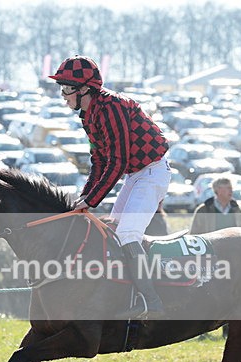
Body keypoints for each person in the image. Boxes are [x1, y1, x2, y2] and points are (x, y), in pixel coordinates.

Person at [50, 55, 171, 319]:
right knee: (114, 232)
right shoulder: (88, 114)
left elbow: (118, 160)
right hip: (135, 175)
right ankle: (126, 294)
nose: (63, 95)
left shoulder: (112, 107)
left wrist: (92, 201)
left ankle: (153, 301)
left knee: (127, 233)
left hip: (152, 173)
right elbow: (98, 161)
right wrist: (83, 198)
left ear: (85, 89)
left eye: (66, 88)